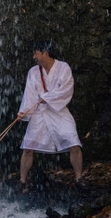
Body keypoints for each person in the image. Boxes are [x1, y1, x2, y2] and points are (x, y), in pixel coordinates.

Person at [17, 40, 83, 190]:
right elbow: (29, 94)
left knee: (74, 142)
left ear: (45, 53)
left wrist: (47, 98)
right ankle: (22, 181)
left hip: (59, 111)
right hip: (39, 113)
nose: (34, 57)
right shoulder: (33, 72)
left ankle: (79, 178)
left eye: (36, 53)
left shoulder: (63, 67)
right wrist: (24, 111)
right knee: (28, 146)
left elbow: (66, 89)